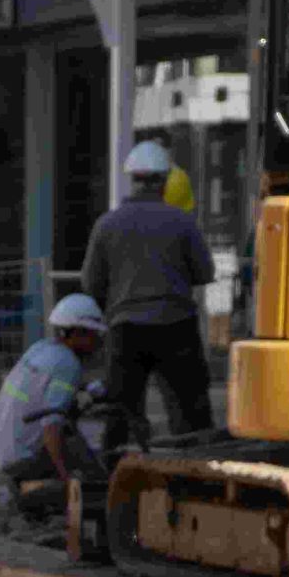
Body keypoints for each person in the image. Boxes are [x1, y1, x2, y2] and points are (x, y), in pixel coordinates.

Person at [80, 139, 217, 436]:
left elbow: (91, 283)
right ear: (165, 181)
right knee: (191, 411)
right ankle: (196, 474)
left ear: (132, 180)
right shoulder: (183, 222)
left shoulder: (107, 224)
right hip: (177, 326)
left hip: (125, 329)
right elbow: (205, 272)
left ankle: (118, 470)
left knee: (120, 413)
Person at [0, 294, 108, 524]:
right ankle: (37, 494)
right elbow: (52, 428)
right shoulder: (68, 364)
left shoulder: (42, 348)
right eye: (93, 334)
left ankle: (28, 487)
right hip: (21, 459)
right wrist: (66, 479)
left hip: (1, 450)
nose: (98, 342)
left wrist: (89, 390)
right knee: (90, 475)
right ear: (77, 333)